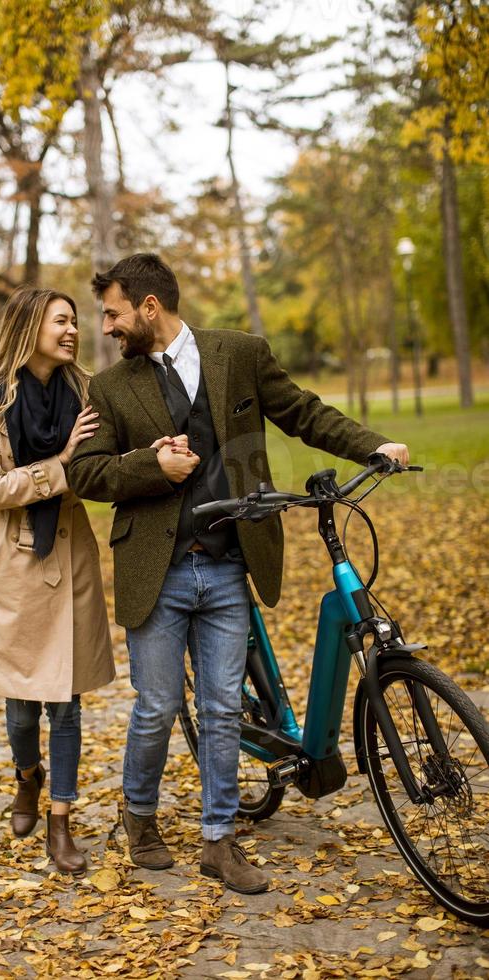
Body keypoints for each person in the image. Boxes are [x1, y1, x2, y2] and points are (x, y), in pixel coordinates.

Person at [68, 253, 409, 895]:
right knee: (158, 707)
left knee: (222, 710)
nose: (107, 327)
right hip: (157, 572)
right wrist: (149, 466)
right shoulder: (110, 388)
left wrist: (373, 446)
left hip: (229, 567)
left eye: (113, 312)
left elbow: (303, 412)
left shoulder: (241, 352)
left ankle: (218, 842)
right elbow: (88, 473)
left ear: (148, 306)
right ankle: (139, 818)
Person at [0, 285, 115, 875]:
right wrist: (60, 464)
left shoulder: (84, 391)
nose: (74, 329)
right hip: (13, 560)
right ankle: (27, 777)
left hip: (70, 555)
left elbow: (101, 463)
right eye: (62, 320)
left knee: (67, 705)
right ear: (30, 326)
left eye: (75, 320)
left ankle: (61, 821)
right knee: (23, 707)